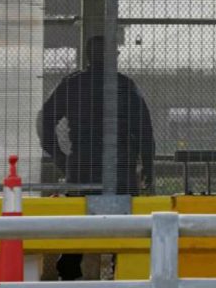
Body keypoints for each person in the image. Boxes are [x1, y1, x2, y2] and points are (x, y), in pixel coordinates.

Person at [40, 35, 155, 281]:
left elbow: (45, 120)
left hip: (82, 166)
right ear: (114, 57)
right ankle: (119, 270)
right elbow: (145, 131)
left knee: (79, 225)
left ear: (88, 57)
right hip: (120, 167)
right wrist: (148, 167)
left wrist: (60, 156)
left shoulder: (72, 85)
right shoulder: (125, 86)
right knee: (125, 227)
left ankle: (69, 269)